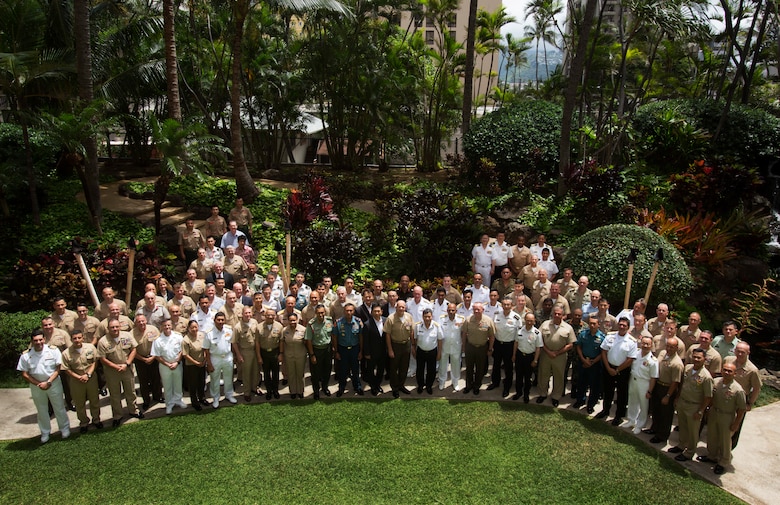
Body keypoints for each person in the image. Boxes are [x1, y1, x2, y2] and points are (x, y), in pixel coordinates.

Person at [18, 331, 71, 443]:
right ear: (32, 341)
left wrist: (48, 382)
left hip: (53, 383)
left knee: (59, 407)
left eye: (40, 340)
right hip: (36, 386)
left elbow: (58, 368)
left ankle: (64, 429)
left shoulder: (53, 350)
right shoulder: (26, 355)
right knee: (42, 410)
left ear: (44, 339)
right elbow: (24, 374)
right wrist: (38, 383)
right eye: (35, 340)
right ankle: (45, 432)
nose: (38, 342)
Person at [699, 361, 746, 475]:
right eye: (725, 370)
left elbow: (741, 409)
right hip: (715, 412)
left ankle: (723, 462)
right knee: (712, 436)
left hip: (727, 415)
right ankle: (712, 456)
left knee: (725, 440)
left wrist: (736, 424)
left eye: (730, 371)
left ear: (735, 374)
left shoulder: (738, 390)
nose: (726, 372)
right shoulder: (716, 382)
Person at [668, 348, 713, 461]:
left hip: (695, 406)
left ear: (704, 359)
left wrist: (701, 411)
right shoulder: (688, 368)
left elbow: (708, 396)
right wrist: (677, 398)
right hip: (683, 402)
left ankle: (689, 452)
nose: (696, 359)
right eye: (695, 357)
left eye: (699, 357)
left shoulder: (706, 376)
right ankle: (681, 445)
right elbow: (682, 384)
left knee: (693, 431)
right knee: (682, 426)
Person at [97, 319, 143, 427]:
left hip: (127, 368)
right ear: (108, 329)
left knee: (130, 391)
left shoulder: (127, 335)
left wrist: (127, 364)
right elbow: (102, 359)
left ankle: (134, 410)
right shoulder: (103, 341)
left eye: (117, 326)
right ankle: (117, 415)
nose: (115, 329)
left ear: (120, 327)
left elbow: (133, 350)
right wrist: (116, 366)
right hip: (112, 372)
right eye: (112, 327)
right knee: (115, 395)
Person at [597, 317, 638, 425]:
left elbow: (631, 359)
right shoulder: (610, 336)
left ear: (628, 327)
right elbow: (604, 351)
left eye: (624, 325)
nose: (621, 327)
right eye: (620, 324)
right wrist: (608, 368)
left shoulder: (632, 341)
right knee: (608, 391)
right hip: (609, 367)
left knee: (621, 394)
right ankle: (605, 410)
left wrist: (617, 370)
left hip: (622, 370)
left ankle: (618, 416)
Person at [61, 330, 102, 433]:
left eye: (79, 338)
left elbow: (95, 361)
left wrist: (88, 374)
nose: (77, 340)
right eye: (74, 338)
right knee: (79, 403)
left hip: (91, 377)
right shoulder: (66, 353)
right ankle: (84, 423)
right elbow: (66, 369)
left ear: (83, 338)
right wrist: (78, 377)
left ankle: (96, 420)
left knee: (94, 400)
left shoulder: (90, 348)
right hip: (76, 380)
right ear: (71, 340)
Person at [646, 337, 684, 445]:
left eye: (672, 347)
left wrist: (668, 395)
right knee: (656, 410)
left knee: (665, 414)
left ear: (677, 348)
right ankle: (654, 428)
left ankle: (662, 436)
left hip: (667, 389)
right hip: (658, 385)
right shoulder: (662, 353)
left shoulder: (677, 363)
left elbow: (675, 382)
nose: (669, 348)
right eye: (668, 346)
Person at [724, 342, 762, 449]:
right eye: (738, 351)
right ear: (734, 350)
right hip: (724, 396)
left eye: (743, 352)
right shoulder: (728, 360)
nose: (740, 354)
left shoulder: (752, 370)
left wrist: (750, 403)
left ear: (748, 353)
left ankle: (726, 452)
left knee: (734, 427)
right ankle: (714, 452)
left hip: (739, 401)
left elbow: (756, 388)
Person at [537, 304, 576, 407]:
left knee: (558, 376)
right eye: (555, 313)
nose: (557, 315)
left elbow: (571, 344)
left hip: (560, 356)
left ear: (563, 315)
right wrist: (548, 351)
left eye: (559, 314)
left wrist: (557, 353)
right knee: (543, 375)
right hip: (546, 354)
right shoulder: (545, 324)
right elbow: (539, 339)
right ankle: (542, 394)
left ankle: (555, 397)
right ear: (552, 314)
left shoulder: (568, 328)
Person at [151, 320, 187, 415]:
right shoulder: (158, 340)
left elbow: (182, 351)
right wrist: (167, 364)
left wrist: (176, 362)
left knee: (178, 383)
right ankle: (169, 404)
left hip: (177, 364)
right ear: (161, 327)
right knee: (167, 386)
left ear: (171, 326)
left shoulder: (178, 337)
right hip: (164, 366)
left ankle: (178, 400)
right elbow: (157, 355)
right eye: (165, 326)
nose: (167, 327)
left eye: (168, 325)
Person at [203, 312, 237, 408]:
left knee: (228, 377)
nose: (220, 322)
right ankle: (215, 398)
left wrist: (234, 357)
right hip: (215, 358)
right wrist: (209, 363)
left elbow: (232, 344)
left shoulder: (229, 330)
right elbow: (206, 349)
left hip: (227, 356)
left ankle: (229, 395)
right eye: (218, 320)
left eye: (222, 320)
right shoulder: (209, 333)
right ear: (214, 321)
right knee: (215, 379)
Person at [625, 336, 658, 434]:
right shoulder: (636, 353)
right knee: (632, 400)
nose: (645, 346)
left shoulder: (653, 361)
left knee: (643, 405)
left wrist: (649, 391)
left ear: (651, 346)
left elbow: (653, 377)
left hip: (644, 383)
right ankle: (631, 420)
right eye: (643, 343)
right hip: (633, 380)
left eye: (648, 344)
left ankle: (640, 424)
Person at [461, 302, 495, 396]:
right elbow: (464, 334)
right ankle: (468, 386)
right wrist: (463, 346)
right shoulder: (468, 320)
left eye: (478, 309)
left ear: (482, 310)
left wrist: (490, 349)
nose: (476, 311)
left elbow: (492, 336)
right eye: (474, 309)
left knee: (480, 369)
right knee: (469, 368)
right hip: (470, 347)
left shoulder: (488, 320)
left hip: (482, 348)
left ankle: (477, 386)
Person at [573, 315, 605, 413]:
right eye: (590, 323)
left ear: (598, 325)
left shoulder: (602, 337)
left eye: (594, 323)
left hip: (595, 363)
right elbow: (578, 346)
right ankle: (580, 401)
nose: (592, 325)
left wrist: (592, 362)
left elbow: (603, 352)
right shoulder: (583, 334)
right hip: (583, 360)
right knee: (581, 382)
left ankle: (591, 404)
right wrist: (583, 359)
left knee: (594, 385)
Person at [490, 297, 521, 397]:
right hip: (498, 344)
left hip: (509, 345)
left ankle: (507, 387)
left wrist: (515, 351)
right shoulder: (496, 315)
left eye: (508, 305)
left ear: (512, 306)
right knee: (496, 365)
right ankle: (495, 382)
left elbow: (518, 335)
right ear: (501, 305)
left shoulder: (516, 318)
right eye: (504, 304)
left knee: (508, 367)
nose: (506, 306)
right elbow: (493, 331)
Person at [132, 314, 162, 411]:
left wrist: (153, 357)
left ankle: (158, 396)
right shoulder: (131, 334)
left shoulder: (153, 329)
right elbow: (132, 350)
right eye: (139, 321)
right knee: (143, 381)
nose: (141, 323)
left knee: (156, 378)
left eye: (143, 321)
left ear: (146, 321)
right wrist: (143, 359)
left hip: (154, 357)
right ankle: (146, 401)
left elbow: (159, 343)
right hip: (140, 360)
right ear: (135, 323)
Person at [385, 299, 414, 398]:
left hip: (406, 344)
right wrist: (390, 349)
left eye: (403, 307)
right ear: (396, 307)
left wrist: (413, 345)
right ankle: (395, 388)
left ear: (405, 308)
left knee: (404, 367)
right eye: (399, 307)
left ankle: (401, 385)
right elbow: (387, 335)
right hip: (395, 345)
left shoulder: (409, 317)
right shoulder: (391, 318)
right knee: (393, 368)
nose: (401, 308)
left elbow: (411, 332)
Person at [333, 303, 364, 396]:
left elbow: (361, 337)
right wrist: (336, 351)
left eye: (351, 310)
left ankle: (357, 386)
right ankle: (341, 387)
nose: (349, 312)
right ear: (344, 311)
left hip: (354, 349)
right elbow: (334, 337)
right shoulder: (338, 323)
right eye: (347, 310)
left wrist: (361, 351)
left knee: (355, 370)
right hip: (343, 349)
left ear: (354, 311)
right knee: (342, 370)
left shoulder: (358, 322)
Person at [231, 306, 260, 402]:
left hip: (255, 350)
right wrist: (238, 355)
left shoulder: (254, 322)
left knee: (256, 371)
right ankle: (247, 393)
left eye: (249, 313)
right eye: (246, 313)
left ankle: (254, 388)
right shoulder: (238, 327)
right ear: (242, 314)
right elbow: (234, 342)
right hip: (245, 351)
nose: (248, 315)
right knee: (246, 373)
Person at [305, 304, 334, 399]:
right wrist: (312, 354)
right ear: (315, 313)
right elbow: (308, 340)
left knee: (327, 370)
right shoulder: (311, 324)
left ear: (325, 312)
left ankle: (325, 388)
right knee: (315, 373)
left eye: (322, 312)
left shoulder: (329, 321)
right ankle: (316, 391)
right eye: (318, 313)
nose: (320, 315)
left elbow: (332, 335)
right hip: (316, 350)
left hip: (327, 350)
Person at [512, 312, 542, 403]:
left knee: (528, 378)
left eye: (531, 321)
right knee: (518, 376)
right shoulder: (519, 330)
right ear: (525, 320)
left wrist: (535, 360)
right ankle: (518, 393)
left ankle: (526, 394)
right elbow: (516, 343)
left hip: (530, 357)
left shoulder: (537, 333)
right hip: (520, 356)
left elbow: (538, 348)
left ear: (534, 321)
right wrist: (514, 355)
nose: (529, 322)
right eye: (528, 320)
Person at [256, 308, 284, 400]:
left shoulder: (279, 326)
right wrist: (259, 356)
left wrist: (280, 354)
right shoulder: (259, 327)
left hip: (275, 352)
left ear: (275, 316)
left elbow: (281, 341)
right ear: (265, 316)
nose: (270, 317)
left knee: (276, 373)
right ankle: (269, 391)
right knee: (266, 374)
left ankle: (275, 390)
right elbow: (257, 343)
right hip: (264, 353)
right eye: (268, 315)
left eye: (272, 315)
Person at [414, 308, 442, 395]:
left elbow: (440, 340)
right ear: (422, 316)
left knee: (431, 370)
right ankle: (420, 386)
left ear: (432, 317)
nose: (427, 319)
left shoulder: (437, 326)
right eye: (425, 317)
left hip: (432, 351)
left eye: (429, 317)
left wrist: (439, 352)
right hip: (421, 351)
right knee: (419, 370)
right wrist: (414, 350)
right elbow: (415, 339)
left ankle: (429, 386)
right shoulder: (418, 326)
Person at [439, 303, 465, 392]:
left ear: (456, 311)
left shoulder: (461, 319)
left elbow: (463, 333)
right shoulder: (441, 319)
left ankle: (455, 382)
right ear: (447, 311)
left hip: (456, 346)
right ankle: (442, 382)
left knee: (456, 365)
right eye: (449, 310)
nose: (451, 312)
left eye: (453, 310)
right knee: (442, 365)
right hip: (444, 346)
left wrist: (463, 346)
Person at [182, 320, 208, 410]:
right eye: (192, 327)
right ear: (188, 328)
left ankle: (202, 398)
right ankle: (194, 402)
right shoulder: (186, 340)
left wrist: (205, 359)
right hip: (191, 365)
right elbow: (185, 355)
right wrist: (196, 363)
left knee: (201, 382)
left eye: (196, 327)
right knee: (193, 384)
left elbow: (205, 348)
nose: (194, 329)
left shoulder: (201, 335)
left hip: (202, 363)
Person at [281, 313, 307, 399]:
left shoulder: (303, 330)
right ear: (288, 321)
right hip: (289, 356)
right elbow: (282, 342)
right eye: (291, 320)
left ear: (297, 320)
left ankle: (300, 391)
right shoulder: (284, 330)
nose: (292, 322)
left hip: (300, 355)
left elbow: (306, 342)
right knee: (291, 374)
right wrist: (281, 354)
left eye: (294, 320)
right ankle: (292, 391)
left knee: (300, 374)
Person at [363, 303, 387, 395]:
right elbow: (365, 340)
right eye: (375, 311)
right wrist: (367, 353)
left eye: (378, 311)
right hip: (372, 352)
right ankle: (373, 386)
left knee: (381, 370)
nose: (377, 313)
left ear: (382, 312)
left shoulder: (386, 321)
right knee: (371, 370)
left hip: (382, 352)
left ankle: (378, 384)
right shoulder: (367, 324)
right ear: (371, 312)